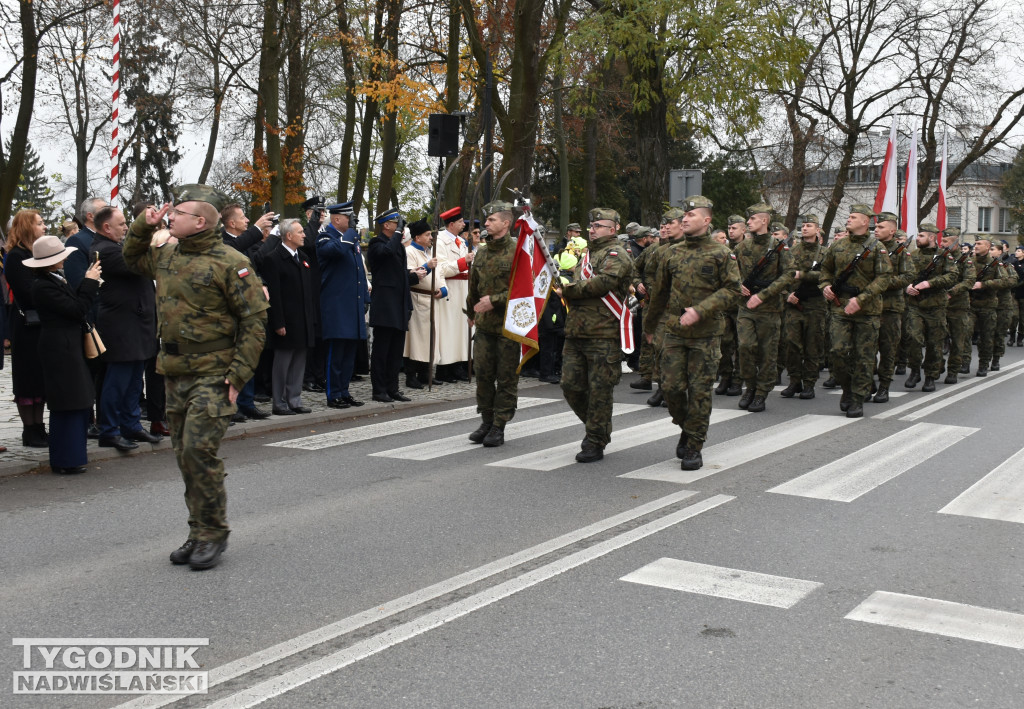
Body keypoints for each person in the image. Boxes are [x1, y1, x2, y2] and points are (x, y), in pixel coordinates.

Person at [123, 184, 269, 571]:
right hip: (174, 371)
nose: (171, 216)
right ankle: (197, 529)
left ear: (201, 221)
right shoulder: (167, 254)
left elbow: (254, 323)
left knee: (198, 451)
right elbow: (131, 258)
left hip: (214, 372)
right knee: (183, 456)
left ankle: (213, 533)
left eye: (179, 212)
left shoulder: (231, 261)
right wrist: (143, 225)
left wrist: (239, 375)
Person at [644, 196, 740, 470]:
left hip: (706, 334)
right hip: (674, 332)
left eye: (691, 215)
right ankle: (687, 427)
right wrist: (650, 327)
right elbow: (659, 294)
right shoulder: (671, 253)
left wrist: (700, 310)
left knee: (699, 391)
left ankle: (694, 446)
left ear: (706, 220)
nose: (684, 219)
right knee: (671, 389)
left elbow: (733, 290)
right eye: (683, 215)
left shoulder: (722, 253)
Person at [560, 208, 634, 463]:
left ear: (613, 229)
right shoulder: (588, 255)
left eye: (598, 226)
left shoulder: (617, 254)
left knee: (600, 390)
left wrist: (568, 289)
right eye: (591, 226)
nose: (592, 230)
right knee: (570, 386)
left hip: (603, 333)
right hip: (576, 331)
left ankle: (595, 439)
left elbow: (602, 284)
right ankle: (597, 427)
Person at [28, 236, 103, 474]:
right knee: (67, 402)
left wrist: (87, 281)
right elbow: (76, 309)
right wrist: (90, 283)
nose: (65, 259)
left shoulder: (54, 279)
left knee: (76, 400)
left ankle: (72, 456)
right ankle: (64, 459)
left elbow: (74, 304)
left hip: (66, 345)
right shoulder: (43, 285)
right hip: (59, 348)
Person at [92, 206, 162, 451]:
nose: (126, 227)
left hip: (137, 323)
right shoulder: (105, 250)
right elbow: (142, 264)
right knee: (118, 380)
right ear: (106, 227)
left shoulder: (116, 246)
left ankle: (131, 425)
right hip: (122, 326)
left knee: (134, 381)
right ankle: (109, 430)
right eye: (121, 224)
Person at [819, 204, 892, 417]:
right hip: (840, 307)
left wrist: (861, 299)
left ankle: (858, 398)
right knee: (837, 352)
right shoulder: (838, 246)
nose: (848, 219)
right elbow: (825, 270)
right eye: (849, 216)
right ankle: (848, 388)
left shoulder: (877, 247)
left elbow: (884, 277)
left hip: (867, 310)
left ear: (865, 221)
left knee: (864, 356)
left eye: (853, 217)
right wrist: (825, 286)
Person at [466, 201, 520, 447]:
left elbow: (525, 291)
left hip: (509, 326)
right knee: (483, 375)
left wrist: (495, 301)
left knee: (506, 378)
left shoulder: (518, 251)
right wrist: (471, 311)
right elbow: (474, 286)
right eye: (486, 220)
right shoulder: (482, 251)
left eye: (491, 220)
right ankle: (486, 420)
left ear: (506, 223)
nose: (486, 224)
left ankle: (499, 425)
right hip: (485, 326)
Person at [733, 202, 794, 412]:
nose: (748, 222)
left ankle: (761, 392)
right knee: (745, 347)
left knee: (767, 352)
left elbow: (788, 275)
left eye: (752, 219)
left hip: (769, 307)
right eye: (748, 219)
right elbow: (731, 271)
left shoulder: (779, 246)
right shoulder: (741, 247)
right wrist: (737, 285)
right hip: (745, 307)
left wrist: (764, 295)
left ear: (764, 221)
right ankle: (750, 386)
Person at [262, 218, 318, 415]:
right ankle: (279, 402)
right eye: (300, 232)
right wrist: (278, 322)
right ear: (288, 235)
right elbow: (274, 295)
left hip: (303, 320)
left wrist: (312, 318)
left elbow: (309, 292)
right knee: (282, 363)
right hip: (286, 321)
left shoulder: (303, 257)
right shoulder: (273, 258)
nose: (304, 235)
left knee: (299, 362)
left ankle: (294, 399)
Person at [4, 210, 50, 447]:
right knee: (27, 378)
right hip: (25, 325)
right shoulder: (16, 256)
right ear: (26, 227)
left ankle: (39, 427)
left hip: (41, 324)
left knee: (40, 379)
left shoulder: (36, 253)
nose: (44, 226)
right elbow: (27, 292)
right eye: (39, 223)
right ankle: (29, 430)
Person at [316, 201, 368, 409]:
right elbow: (335, 251)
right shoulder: (325, 237)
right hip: (337, 306)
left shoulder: (350, 239)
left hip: (352, 305)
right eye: (349, 217)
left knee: (349, 354)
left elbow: (359, 271)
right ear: (336, 219)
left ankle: (344, 391)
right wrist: (349, 235)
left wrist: (365, 298)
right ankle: (333, 394)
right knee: (336, 354)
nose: (352, 220)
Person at [366, 208, 416, 403]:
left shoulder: (398, 246)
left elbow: (400, 275)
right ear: (386, 225)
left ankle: (392, 388)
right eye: (396, 224)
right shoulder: (376, 243)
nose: (400, 227)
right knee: (382, 350)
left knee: (396, 351)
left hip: (399, 304)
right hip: (385, 306)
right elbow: (386, 253)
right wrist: (397, 234)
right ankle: (379, 390)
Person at [904, 224, 958, 390]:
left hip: (936, 306)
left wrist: (930, 283)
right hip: (915, 305)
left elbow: (952, 276)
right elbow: (903, 275)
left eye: (921, 236)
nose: (918, 238)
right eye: (918, 235)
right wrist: (907, 286)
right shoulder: (912, 255)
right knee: (913, 338)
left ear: (932, 237)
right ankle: (914, 370)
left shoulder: (944, 256)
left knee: (934, 343)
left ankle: (930, 376)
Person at [868, 212, 913, 403]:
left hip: (890, 308)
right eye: (875, 227)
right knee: (866, 348)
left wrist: (882, 283)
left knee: (888, 349)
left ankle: (884, 386)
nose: (876, 230)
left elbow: (908, 276)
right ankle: (868, 381)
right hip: (869, 306)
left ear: (892, 231)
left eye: (881, 227)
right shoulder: (869, 248)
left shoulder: (901, 252)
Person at [782, 214, 827, 400]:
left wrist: (803, 275)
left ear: (817, 229)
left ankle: (809, 383)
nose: (805, 228)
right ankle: (794, 381)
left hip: (815, 305)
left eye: (809, 225)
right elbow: (782, 275)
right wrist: (787, 295)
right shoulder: (792, 251)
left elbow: (826, 275)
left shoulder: (825, 253)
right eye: (803, 225)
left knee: (812, 345)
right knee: (791, 344)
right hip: (794, 304)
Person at [435, 207, 474, 382]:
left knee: (461, 329)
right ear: (451, 224)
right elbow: (441, 268)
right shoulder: (440, 241)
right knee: (449, 329)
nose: (463, 224)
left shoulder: (461, 241)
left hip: (463, 288)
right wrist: (463, 262)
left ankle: (459, 365)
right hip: (450, 288)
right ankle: (445, 368)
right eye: (460, 222)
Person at [404, 219, 444, 387]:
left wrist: (443, 288)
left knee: (430, 338)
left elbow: (440, 273)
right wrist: (427, 266)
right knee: (415, 340)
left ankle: (425, 373)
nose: (430, 238)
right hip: (418, 299)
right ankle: (411, 375)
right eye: (427, 235)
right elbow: (411, 275)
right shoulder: (409, 252)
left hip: (433, 300)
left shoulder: (430, 252)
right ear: (417, 237)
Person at [715, 214, 747, 396]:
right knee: (724, 343)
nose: (731, 231)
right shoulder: (723, 251)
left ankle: (737, 379)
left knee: (742, 345)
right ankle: (725, 376)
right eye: (729, 228)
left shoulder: (748, 249)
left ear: (744, 229)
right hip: (726, 305)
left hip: (743, 305)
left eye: (734, 228)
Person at [941, 229, 976, 384]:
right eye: (942, 241)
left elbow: (969, 281)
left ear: (955, 242)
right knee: (934, 338)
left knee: (957, 340)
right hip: (938, 305)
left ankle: (953, 370)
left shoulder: (965, 260)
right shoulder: (939, 258)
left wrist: (952, 292)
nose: (942, 244)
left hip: (958, 305)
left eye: (946, 241)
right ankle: (936, 364)